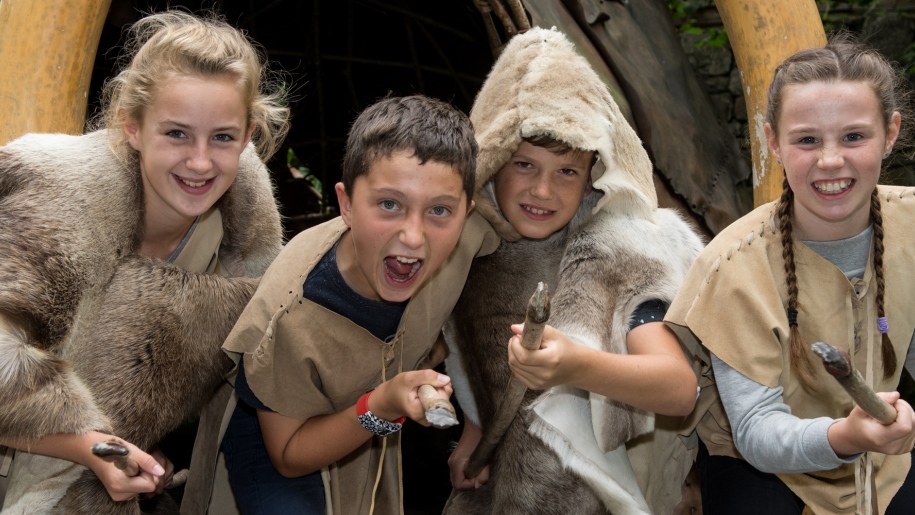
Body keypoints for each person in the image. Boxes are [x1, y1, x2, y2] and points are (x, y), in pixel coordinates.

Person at [0, 10, 289, 514]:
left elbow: (274, 338)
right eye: (176, 134)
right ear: (132, 127)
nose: (200, 162)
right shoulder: (64, 196)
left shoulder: (243, 221)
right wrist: (93, 448)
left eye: (222, 137)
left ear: (247, 136)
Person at [442, 27, 704, 515]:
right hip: (500, 494)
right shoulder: (470, 247)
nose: (543, 190)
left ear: (592, 180)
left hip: (592, 500)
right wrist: (474, 433)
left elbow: (676, 386)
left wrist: (576, 366)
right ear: (493, 162)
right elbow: (477, 357)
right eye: (524, 165)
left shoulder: (612, 251)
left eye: (566, 171)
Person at [665, 35, 915, 514]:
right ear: (772, 142)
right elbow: (758, 429)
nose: (830, 160)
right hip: (763, 465)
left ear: (891, 132)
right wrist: (845, 435)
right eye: (806, 140)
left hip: (887, 454)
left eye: (854, 136)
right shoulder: (733, 266)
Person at [219, 94, 499, 514]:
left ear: (467, 213)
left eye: (440, 210)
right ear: (346, 204)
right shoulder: (292, 315)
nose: (413, 236)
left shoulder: (469, 234)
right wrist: (379, 408)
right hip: (282, 425)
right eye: (390, 204)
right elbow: (290, 455)